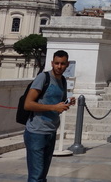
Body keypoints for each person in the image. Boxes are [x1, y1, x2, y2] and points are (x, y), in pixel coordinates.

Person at [23, 50, 75, 182]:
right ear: (52, 63)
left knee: (42, 176)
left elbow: (57, 105)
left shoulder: (62, 80)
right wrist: (54, 107)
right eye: (56, 63)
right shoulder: (43, 78)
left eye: (62, 64)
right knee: (36, 177)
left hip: (50, 131)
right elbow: (28, 104)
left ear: (67, 64)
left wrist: (66, 104)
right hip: (36, 132)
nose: (59, 66)